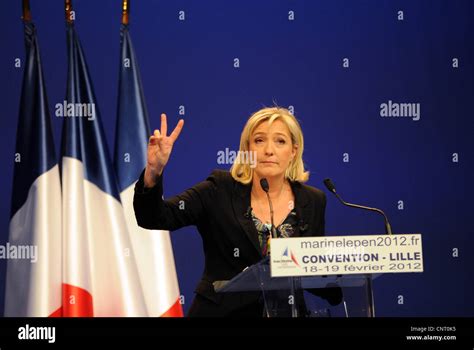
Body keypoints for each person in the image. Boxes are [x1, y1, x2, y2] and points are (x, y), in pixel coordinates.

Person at [133, 106, 339, 317]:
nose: (269, 150)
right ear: (247, 149)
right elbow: (154, 217)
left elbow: (312, 269)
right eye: (259, 140)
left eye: (280, 141)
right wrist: (153, 172)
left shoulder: (312, 200)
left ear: (294, 151)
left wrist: (341, 276)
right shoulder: (219, 189)